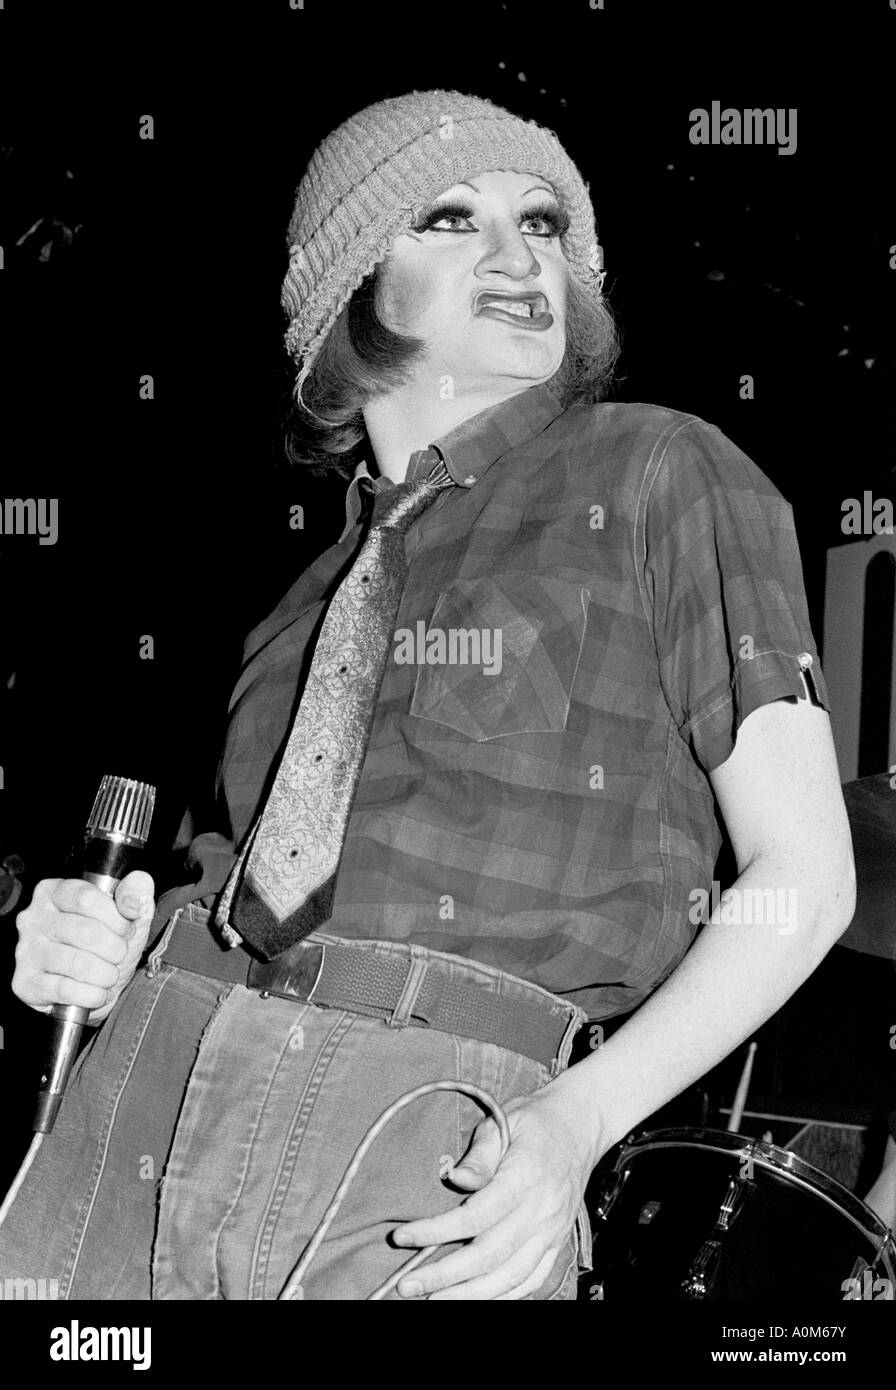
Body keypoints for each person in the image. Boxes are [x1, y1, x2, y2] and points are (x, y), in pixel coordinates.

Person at [0, 90, 856, 1301]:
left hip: (431, 1138)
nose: (521, 257)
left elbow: (807, 877)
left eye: (547, 223)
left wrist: (571, 1125)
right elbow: (247, 888)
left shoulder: (664, 468)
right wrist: (103, 942)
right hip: (146, 1099)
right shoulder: (293, 608)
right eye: (452, 218)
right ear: (352, 283)